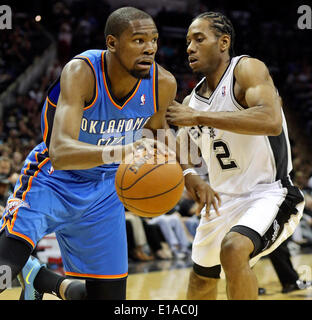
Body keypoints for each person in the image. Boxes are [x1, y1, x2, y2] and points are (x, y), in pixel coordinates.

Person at [0, 7, 180, 300]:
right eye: (138, 40)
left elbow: (160, 140)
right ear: (112, 43)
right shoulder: (82, 71)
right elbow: (59, 152)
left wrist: (186, 175)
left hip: (105, 191)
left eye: (154, 40)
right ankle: (32, 271)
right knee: (4, 271)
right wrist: (125, 150)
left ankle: (41, 278)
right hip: (52, 180)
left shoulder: (163, 84)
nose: (149, 48)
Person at [166, 11, 305, 300]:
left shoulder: (246, 69)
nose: (189, 47)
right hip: (220, 203)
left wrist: (199, 117)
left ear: (223, 42)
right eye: (188, 41)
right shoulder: (193, 100)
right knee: (200, 284)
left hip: (268, 194)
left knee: (234, 248)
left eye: (198, 39)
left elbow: (270, 120)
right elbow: (182, 151)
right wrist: (192, 177)